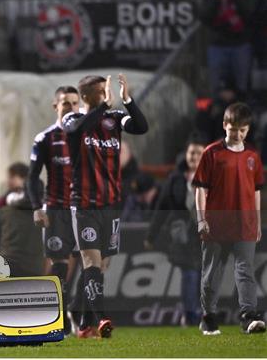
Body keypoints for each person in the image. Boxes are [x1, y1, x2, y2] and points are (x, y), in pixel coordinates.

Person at [62, 74, 148, 338]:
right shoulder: (72, 119)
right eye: (101, 90)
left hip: (111, 204)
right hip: (84, 204)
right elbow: (78, 131)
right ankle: (102, 319)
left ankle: (84, 320)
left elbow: (141, 127)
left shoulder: (114, 119)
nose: (106, 93)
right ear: (88, 96)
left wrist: (128, 100)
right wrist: (102, 107)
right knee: (91, 262)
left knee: (101, 267)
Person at [193, 102, 266, 335]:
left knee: (245, 270)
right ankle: (209, 316)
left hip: (244, 224)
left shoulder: (253, 156)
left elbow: (256, 190)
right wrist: (201, 220)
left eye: (243, 129)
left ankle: (248, 316)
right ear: (225, 125)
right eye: (234, 128)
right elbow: (200, 189)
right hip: (216, 224)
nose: (238, 133)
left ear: (248, 129)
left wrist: (256, 221)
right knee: (212, 272)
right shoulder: (211, 153)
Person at [27, 85, 79, 335]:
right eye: (65, 103)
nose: (71, 107)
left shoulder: (86, 135)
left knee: (89, 265)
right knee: (59, 263)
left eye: (74, 103)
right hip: (57, 208)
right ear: (55, 106)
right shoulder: (45, 138)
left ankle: (77, 313)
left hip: (84, 209)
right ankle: (61, 317)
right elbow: (32, 177)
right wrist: (37, 208)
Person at [144, 137, 207, 326]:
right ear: (185, 155)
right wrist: (151, 235)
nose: (194, 156)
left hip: (207, 237)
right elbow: (161, 208)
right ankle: (190, 316)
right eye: (191, 152)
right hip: (183, 238)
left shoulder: (213, 178)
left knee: (204, 277)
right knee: (190, 274)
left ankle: (201, 313)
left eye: (198, 152)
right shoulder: (176, 179)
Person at [199, 0, 256, 95]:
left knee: (241, 82)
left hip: (240, 44)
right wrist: (216, 1)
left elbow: (250, 16)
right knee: (217, 82)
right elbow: (205, 17)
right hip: (217, 45)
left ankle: (240, 104)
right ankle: (219, 106)